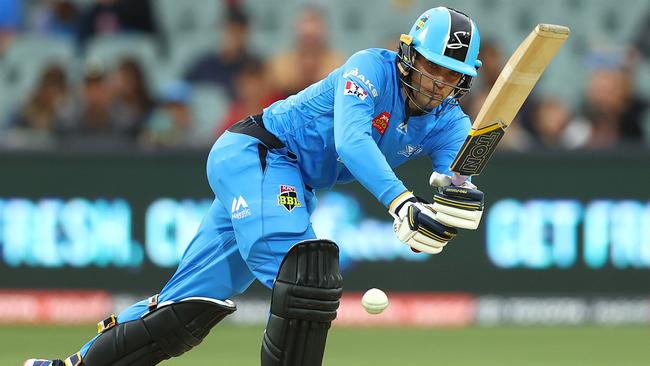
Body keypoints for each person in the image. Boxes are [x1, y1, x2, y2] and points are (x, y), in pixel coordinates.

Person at [25, 6, 486, 366]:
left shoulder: (450, 122)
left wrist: (442, 219)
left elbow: (453, 184)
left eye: (450, 75)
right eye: (431, 66)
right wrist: (401, 201)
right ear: (409, 55)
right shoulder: (370, 69)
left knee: (182, 309)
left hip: (288, 183)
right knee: (307, 275)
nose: (437, 83)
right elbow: (350, 141)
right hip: (259, 151)